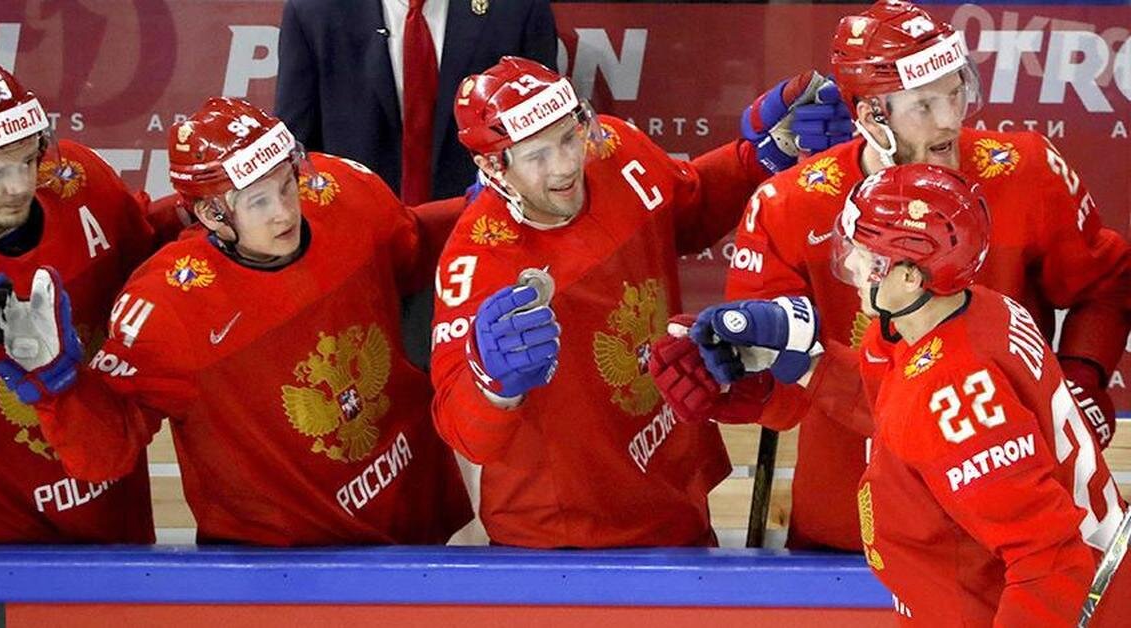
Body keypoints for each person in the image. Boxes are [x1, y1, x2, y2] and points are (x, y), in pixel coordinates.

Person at [658, 0, 1131, 552]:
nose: (949, 119)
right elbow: (777, 396)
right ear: (869, 115)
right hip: (851, 521)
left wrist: (1082, 379)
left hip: (1008, 508)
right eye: (924, 104)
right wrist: (718, 373)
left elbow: (1106, 283)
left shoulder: (1026, 171)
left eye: (956, 92)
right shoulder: (788, 207)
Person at [0, 97, 473, 546]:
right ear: (211, 215)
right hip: (283, 570)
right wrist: (56, 384)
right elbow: (106, 454)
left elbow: (414, 246)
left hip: (418, 524)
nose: (285, 213)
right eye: (258, 201)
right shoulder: (166, 307)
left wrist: (484, 209)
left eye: (286, 186)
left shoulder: (343, 193)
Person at [428, 56, 850, 548]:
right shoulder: (476, 263)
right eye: (536, 155)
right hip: (566, 537)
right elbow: (463, 432)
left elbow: (690, 207)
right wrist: (492, 387)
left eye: (568, 138)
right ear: (492, 166)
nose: (566, 165)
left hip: (672, 491)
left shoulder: (614, 148)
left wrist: (760, 158)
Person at [693, 163, 1125, 625]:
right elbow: (903, 411)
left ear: (911, 277)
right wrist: (806, 364)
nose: (852, 266)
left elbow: (1048, 559)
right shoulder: (974, 311)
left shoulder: (954, 392)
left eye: (868, 255)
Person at [0, 60, 155, 543]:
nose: (20, 186)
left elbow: (152, 266)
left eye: (28, 160)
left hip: (113, 517)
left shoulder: (82, 183)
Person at [276, 0, 558, 371]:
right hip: (363, 264)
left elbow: (545, 143)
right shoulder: (314, 10)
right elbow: (298, 157)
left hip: (484, 255)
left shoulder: (518, 8)